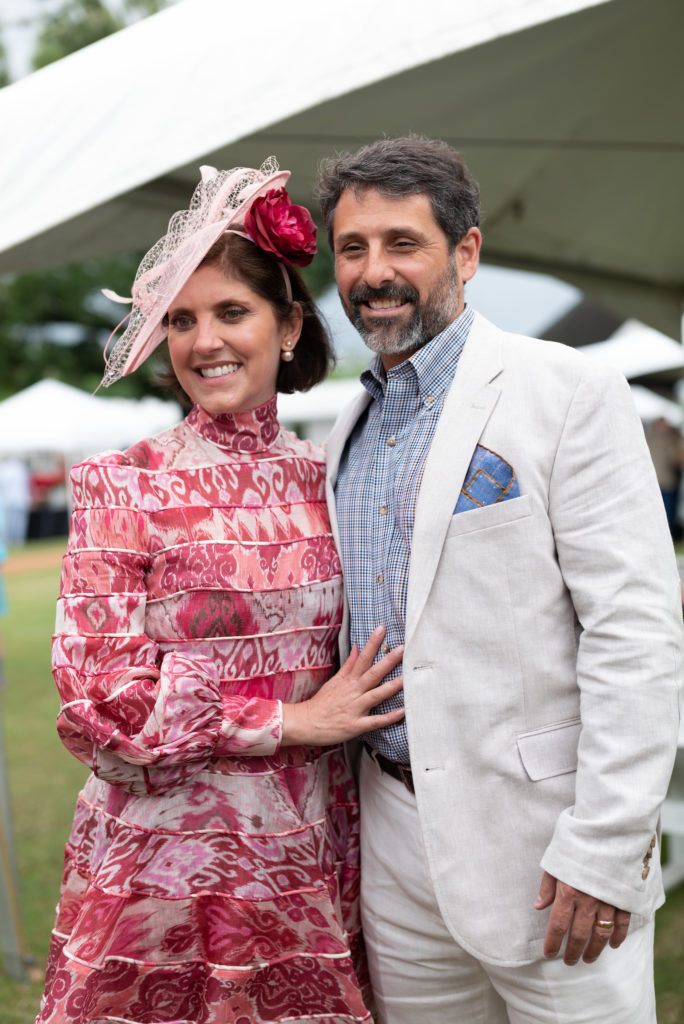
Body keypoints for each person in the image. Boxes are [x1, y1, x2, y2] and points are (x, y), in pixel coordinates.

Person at [316, 136, 683, 1023]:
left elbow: (636, 632)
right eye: (354, 248)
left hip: (548, 847)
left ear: (466, 252)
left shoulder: (568, 390)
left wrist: (604, 845)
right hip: (396, 845)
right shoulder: (346, 423)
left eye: (403, 243)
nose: (375, 271)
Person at [36, 160, 404, 1024]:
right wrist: (286, 722)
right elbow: (100, 703)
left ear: (288, 328)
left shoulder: (334, 477)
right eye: (181, 321)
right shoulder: (122, 485)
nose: (205, 342)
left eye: (232, 312)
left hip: (306, 852)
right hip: (157, 870)